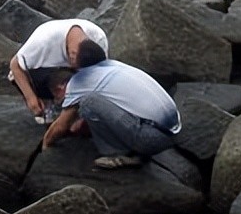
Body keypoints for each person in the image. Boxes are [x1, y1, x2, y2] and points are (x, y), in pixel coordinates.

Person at [43, 46, 182, 169]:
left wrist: (45, 146)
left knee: (89, 102)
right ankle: (134, 150)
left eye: (57, 97)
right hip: (173, 130)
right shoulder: (112, 65)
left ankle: (116, 153)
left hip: (150, 139)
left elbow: (61, 126)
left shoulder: (77, 83)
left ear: (60, 87)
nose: (59, 101)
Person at [7, 18, 108, 122]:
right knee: (21, 76)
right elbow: (15, 65)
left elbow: (101, 75)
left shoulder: (99, 39)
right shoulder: (44, 41)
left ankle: (72, 106)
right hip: (43, 68)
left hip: (71, 71)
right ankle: (49, 103)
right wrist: (31, 98)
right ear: (71, 57)